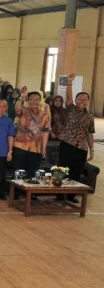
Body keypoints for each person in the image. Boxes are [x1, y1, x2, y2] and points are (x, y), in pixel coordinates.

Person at [59, 74, 95, 203]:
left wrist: (92, 149)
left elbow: (90, 133)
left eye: (85, 99)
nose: (82, 101)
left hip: (81, 147)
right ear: (76, 100)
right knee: (63, 170)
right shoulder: (70, 109)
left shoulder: (90, 117)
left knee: (76, 172)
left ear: (87, 101)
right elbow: (68, 98)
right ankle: (59, 194)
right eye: (79, 99)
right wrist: (69, 84)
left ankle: (71, 194)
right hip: (67, 144)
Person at [13, 91, 50, 186]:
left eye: (37, 99)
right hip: (20, 145)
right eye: (32, 99)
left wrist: (44, 147)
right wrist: (21, 97)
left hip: (36, 147)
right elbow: (17, 109)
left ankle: (30, 194)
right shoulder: (24, 111)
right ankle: (16, 193)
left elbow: (45, 132)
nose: (34, 101)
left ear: (40, 101)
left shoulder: (45, 115)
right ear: (28, 100)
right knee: (19, 170)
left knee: (33, 171)